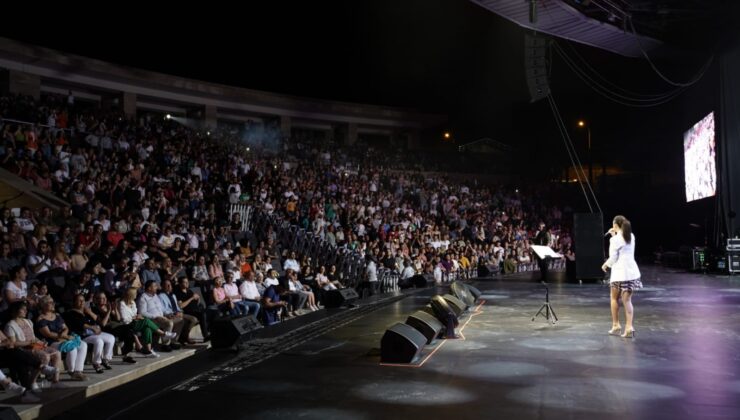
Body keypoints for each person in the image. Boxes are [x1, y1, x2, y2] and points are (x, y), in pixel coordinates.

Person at [602, 215, 642, 339]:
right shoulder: (631, 236)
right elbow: (623, 245)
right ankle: (629, 327)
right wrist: (615, 235)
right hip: (631, 273)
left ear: (615, 225)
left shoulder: (614, 240)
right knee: (627, 301)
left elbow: (613, 257)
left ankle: (616, 325)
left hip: (619, 273)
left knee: (614, 298)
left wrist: (605, 264)